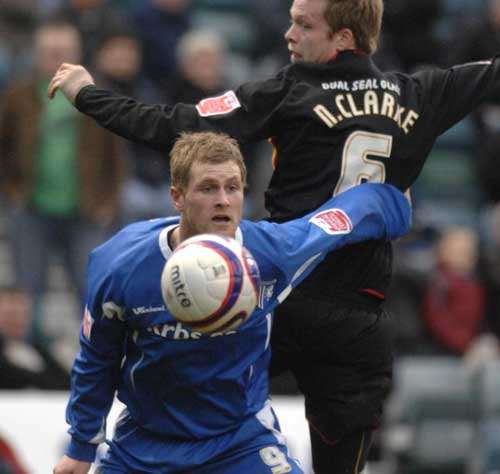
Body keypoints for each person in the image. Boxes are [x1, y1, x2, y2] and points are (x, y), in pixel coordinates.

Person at [45, 0, 497, 470]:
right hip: (353, 310)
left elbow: (175, 126)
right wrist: (396, 211)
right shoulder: (421, 93)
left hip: (271, 287)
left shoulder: (288, 91)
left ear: (343, 37)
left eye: (303, 24)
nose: (288, 34)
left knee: (192, 368)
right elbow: (372, 204)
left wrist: (88, 96)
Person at [53, 131, 411, 474]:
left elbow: (347, 217)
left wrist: (398, 206)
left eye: (232, 187)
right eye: (208, 188)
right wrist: (81, 446)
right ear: (177, 197)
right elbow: (97, 358)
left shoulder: (270, 253)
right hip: (144, 446)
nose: (223, 200)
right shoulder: (119, 264)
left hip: (238, 441)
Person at [0, 18, 125, 343]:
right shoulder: (19, 97)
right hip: (31, 206)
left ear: (78, 54)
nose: (56, 60)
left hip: (84, 208)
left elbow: (116, 155)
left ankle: (90, 354)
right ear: (36, 54)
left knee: (90, 288)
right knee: (28, 289)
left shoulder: (95, 96)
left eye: (63, 52)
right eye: (49, 52)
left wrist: (107, 202)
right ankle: (27, 358)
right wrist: (12, 192)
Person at [0, 286, 70, 390]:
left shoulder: (37, 350)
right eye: (10, 314)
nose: (16, 320)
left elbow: (67, 382)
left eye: (21, 314)